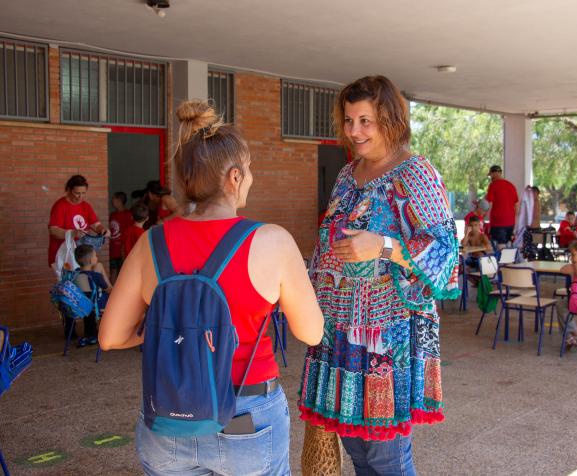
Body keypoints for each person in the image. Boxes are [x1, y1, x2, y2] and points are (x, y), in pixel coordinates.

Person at [98, 100, 324, 476]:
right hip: (246, 413)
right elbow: (311, 332)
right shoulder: (272, 241)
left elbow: (109, 337)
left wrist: (175, 327)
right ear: (234, 177)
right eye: (249, 170)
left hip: (169, 417)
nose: (250, 178)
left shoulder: (150, 243)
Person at [298, 75, 459, 475]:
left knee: (386, 456)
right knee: (355, 447)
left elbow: (445, 251)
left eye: (365, 120)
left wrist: (384, 246)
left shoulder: (415, 173)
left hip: (385, 337)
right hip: (338, 332)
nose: (354, 131)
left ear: (390, 119)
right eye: (349, 120)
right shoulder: (347, 175)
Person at [48, 174, 109, 268]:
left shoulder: (86, 206)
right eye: (77, 193)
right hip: (65, 255)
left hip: (81, 256)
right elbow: (53, 230)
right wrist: (72, 233)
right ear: (68, 190)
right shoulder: (60, 206)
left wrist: (102, 230)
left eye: (83, 193)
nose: (80, 197)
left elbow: (95, 225)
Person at [73, 244, 113, 347]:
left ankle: (89, 334)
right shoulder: (96, 276)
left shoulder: (75, 274)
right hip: (97, 306)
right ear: (91, 260)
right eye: (95, 256)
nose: (97, 258)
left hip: (81, 306)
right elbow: (108, 290)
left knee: (89, 299)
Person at [485, 165, 519, 246]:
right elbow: (516, 205)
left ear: (494, 173)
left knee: (500, 246)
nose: (491, 178)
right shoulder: (511, 185)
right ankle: (509, 258)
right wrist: (515, 220)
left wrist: (484, 217)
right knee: (508, 245)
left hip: (498, 222)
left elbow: (488, 204)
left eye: (491, 175)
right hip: (510, 222)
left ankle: (502, 258)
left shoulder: (493, 185)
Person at [109, 191, 133, 282]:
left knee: (123, 272)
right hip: (113, 249)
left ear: (119, 200)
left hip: (122, 249)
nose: (112, 201)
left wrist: (125, 247)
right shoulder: (113, 215)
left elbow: (129, 233)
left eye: (114, 199)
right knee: (113, 270)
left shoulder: (128, 215)